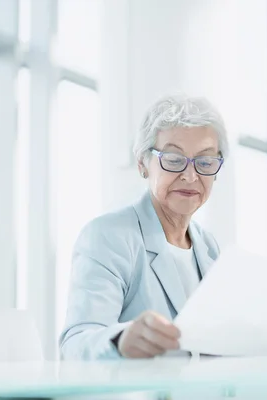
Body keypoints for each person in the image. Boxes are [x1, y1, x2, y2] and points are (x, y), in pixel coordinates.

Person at [59, 94, 229, 360]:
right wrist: (120, 341)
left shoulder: (210, 248)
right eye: (173, 159)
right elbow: (75, 344)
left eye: (205, 162)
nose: (190, 175)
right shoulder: (108, 237)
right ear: (142, 163)